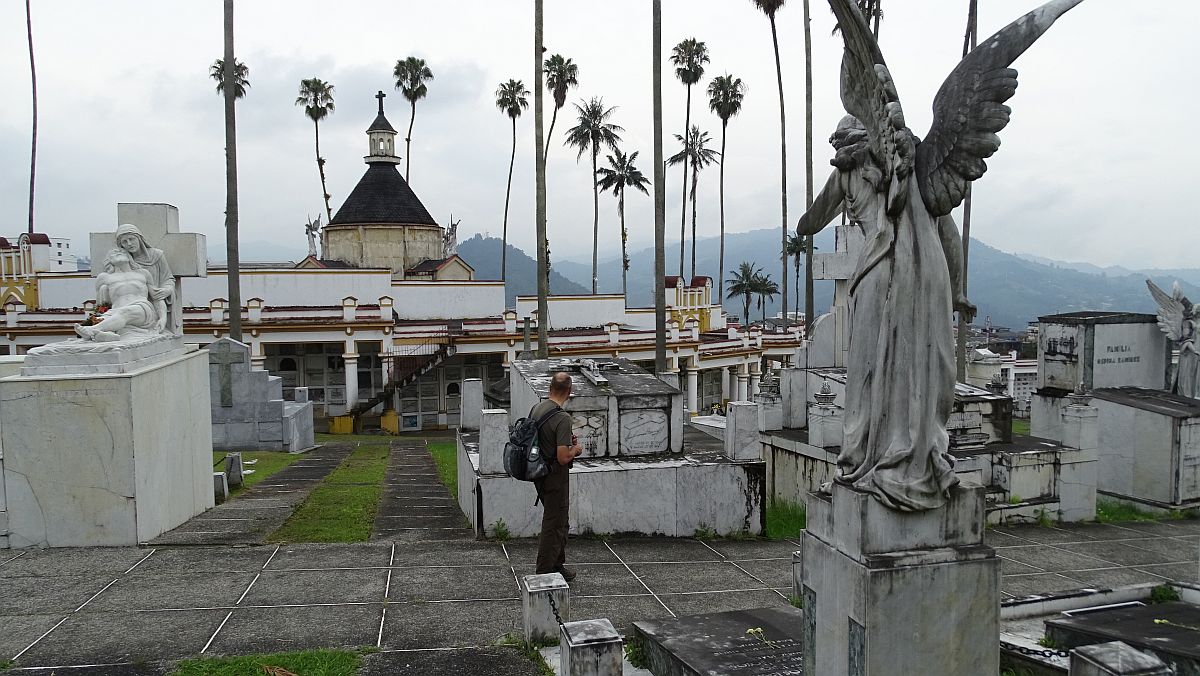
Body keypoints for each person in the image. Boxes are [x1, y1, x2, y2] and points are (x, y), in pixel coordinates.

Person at [797, 116, 974, 511]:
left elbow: (810, 221)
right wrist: (958, 291)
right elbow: (949, 236)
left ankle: (858, 460)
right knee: (917, 369)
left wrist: (809, 220)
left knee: (866, 375)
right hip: (925, 277)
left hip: (877, 271)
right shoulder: (918, 171)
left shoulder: (848, 173)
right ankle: (920, 456)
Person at [531, 371, 583, 580]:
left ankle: (557, 564)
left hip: (539, 472)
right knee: (554, 523)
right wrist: (576, 450)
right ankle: (544, 571)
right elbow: (563, 457)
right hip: (554, 476)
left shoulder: (537, 408)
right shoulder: (562, 417)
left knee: (560, 520)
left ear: (549, 388)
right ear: (569, 392)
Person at [74, 249, 160, 341]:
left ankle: (93, 329)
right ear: (109, 260)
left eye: (122, 252)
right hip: (115, 311)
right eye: (114, 253)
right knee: (106, 319)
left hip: (142, 309)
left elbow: (157, 297)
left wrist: (163, 318)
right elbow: (101, 304)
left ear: (129, 257)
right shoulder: (104, 278)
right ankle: (108, 335)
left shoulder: (143, 273)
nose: (118, 253)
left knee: (124, 312)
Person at [114, 223, 176, 334]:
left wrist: (167, 290)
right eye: (124, 241)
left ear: (139, 238)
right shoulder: (124, 262)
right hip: (130, 304)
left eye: (131, 239)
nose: (129, 244)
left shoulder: (156, 255)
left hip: (153, 304)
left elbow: (168, 278)